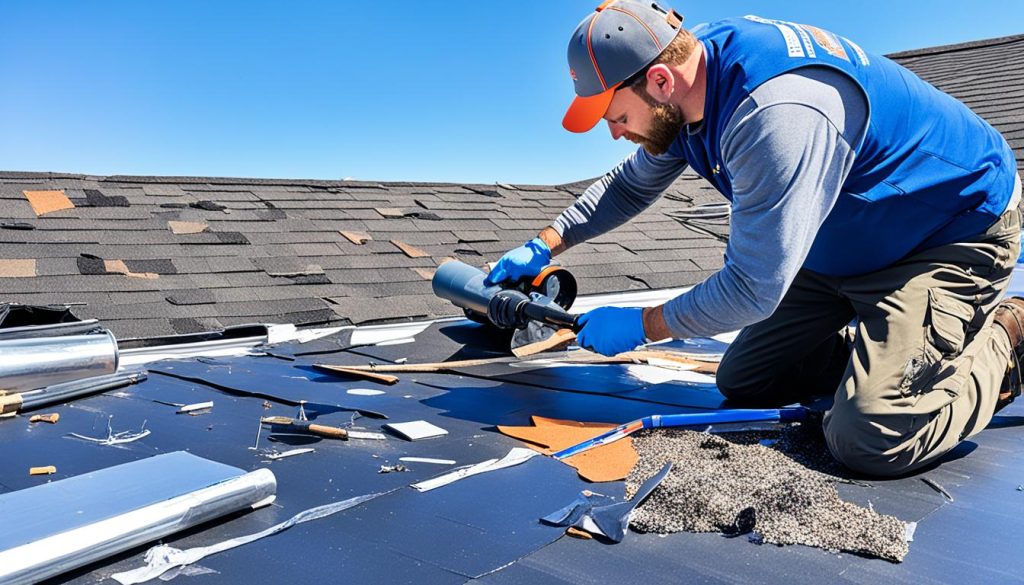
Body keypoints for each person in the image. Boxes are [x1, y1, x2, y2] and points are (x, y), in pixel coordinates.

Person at [485, 0, 1023, 476]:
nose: (615, 132)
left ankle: (1006, 336)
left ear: (659, 83)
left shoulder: (776, 115)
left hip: (944, 235)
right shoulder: (691, 85)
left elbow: (752, 290)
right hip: (844, 244)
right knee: (747, 378)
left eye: (616, 115)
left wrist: (644, 325)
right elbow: (628, 187)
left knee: (867, 439)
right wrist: (545, 242)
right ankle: (889, 358)